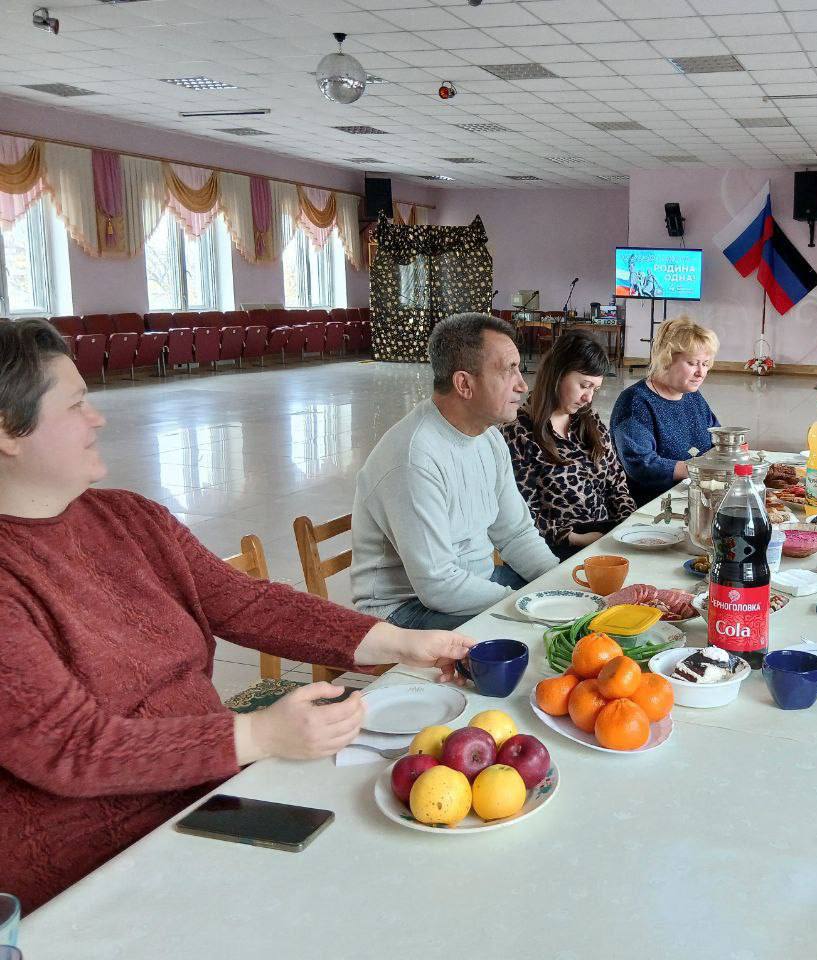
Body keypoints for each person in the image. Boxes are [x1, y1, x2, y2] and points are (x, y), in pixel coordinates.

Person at [0, 319, 474, 912]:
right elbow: (73, 749)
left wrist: (399, 643)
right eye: (75, 406)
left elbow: (249, 602)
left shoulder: (127, 518)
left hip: (213, 790)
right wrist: (256, 733)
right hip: (102, 864)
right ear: (7, 431)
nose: (97, 419)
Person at [351, 313, 559, 630]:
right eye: (509, 370)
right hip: (404, 609)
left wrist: (559, 585)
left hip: (472, 583)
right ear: (464, 383)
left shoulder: (488, 437)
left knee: (567, 609)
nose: (522, 384)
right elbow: (437, 585)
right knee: (537, 631)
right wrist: (525, 606)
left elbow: (515, 533)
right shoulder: (415, 457)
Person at [502, 332, 637, 562]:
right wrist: (575, 539)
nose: (588, 397)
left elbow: (617, 485)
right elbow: (523, 516)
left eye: (595, 389)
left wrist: (628, 526)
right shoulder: (518, 433)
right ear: (557, 374)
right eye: (584, 385)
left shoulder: (589, 422)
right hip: (554, 550)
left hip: (604, 538)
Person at [610, 315, 720, 506]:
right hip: (653, 505)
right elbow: (641, 465)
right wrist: (699, 470)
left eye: (705, 364)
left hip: (694, 494)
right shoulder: (635, 402)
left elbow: (716, 438)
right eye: (693, 363)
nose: (701, 373)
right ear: (666, 360)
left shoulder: (692, 395)